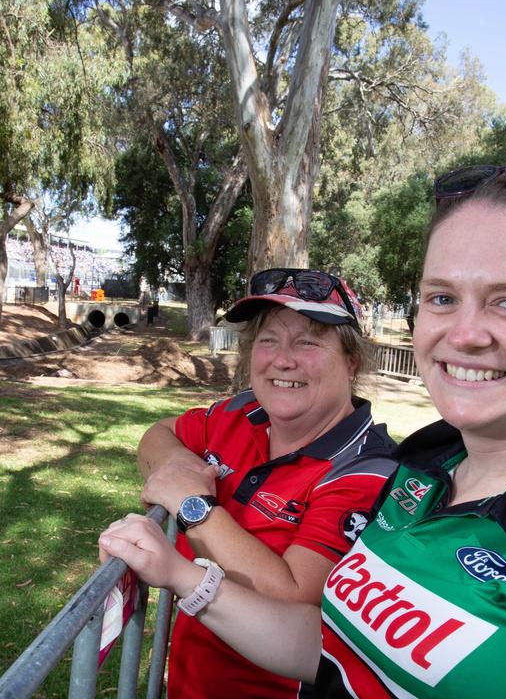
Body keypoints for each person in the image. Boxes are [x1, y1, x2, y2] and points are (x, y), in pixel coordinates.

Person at [100, 141, 506, 698]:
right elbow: (330, 651)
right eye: (441, 297)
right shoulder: (423, 473)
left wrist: (194, 518)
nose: (465, 333)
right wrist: (180, 575)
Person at [134, 268, 399, 698]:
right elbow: (155, 437)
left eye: (308, 341)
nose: (282, 359)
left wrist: (192, 506)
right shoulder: (240, 414)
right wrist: (181, 466)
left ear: (351, 361)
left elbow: (293, 596)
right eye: (268, 340)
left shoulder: (366, 469)